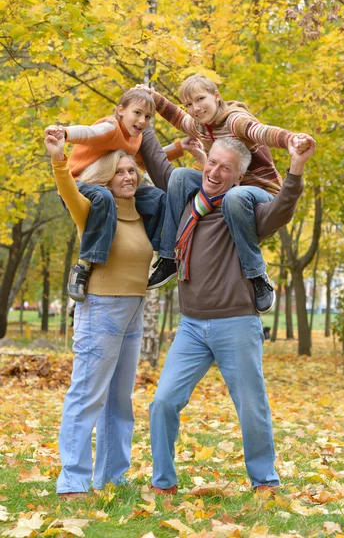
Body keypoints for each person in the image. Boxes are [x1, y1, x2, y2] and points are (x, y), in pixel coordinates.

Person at [145, 136, 316, 494]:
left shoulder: (243, 213)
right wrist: (145, 115)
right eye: (212, 163)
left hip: (236, 323)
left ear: (239, 177)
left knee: (251, 407)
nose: (214, 171)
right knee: (162, 402)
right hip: (191, 325)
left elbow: (282, 208)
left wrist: (296, 167)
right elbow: (161, 165)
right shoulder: (188, 205)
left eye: (226, 168)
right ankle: (163, 483)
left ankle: (265, 481)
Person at [44, 130, 155, 500]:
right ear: (105, 177)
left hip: (135, 308)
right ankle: (72, 481)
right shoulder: (93, 211)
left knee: (120, 398)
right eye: (120, 171)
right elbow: (68, 191)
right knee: (88, 394)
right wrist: (59, 159)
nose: (128, 176)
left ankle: (111, 477)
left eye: (131, 171)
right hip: (101, 307)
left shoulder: (142, 213)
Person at [140, 76, 313, 312]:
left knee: (235, 197)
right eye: (189, 104)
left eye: (200, 99)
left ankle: (256, 274)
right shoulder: (200, 124)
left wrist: (291, 139)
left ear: (216, 96)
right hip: (228, 185)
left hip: (259, 190)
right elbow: (178, 118)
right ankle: (170, 256)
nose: (195, 108)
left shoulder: (234, 121)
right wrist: (154, 98)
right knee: (180, 176)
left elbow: (262, 131)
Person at [44, 88, 185, 302]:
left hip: (110, 183)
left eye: (147, 116)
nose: (142, 120)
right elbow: (89, 133)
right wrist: (65, 133)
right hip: (82, 184)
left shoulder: (134, 139)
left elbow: (140, 163)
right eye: (137, 113)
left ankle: (161, 255)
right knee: (103, 197)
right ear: (121, 111)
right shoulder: (111, 128)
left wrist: (179, 147)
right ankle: (84, 266)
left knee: (159, 199)